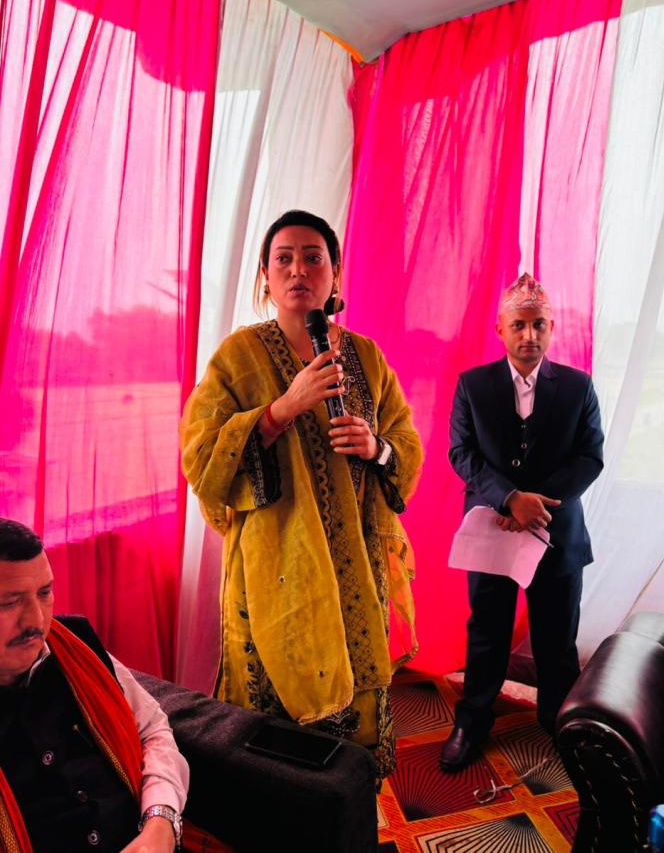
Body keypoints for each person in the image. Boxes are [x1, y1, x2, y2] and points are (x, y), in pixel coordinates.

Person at [181, 209, 423, 779]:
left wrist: (376, 447)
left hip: (355, 569)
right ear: (265, 277)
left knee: (351, 727)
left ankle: (345, 808)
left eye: (314, 258)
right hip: (276, 571)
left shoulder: (366, 357)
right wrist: (280, 410)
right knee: (274, 738)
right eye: (283, 259)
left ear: (335, 274)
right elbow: (200, 455)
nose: (298, 270)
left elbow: (407, 444)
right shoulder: (238, 357)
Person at [440, 273, 604, 772]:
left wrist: (539, 503)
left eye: (538, 325)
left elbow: (590, 456)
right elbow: (461, 453)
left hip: (557, 533)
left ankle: (558, 721)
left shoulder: (577, 386)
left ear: (551, 328)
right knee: (486, 633)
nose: (529, 335)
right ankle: (473, 720)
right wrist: (510, 499)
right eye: (519, 325)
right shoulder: (473, 385)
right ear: (501, 329)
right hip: (492, 531)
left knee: (557, 639)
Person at [0, 518, 189, 853]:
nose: (37, 621)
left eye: (45, 593)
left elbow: (152, 730)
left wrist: (160, 822)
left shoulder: (77, 647)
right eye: (8, 603)